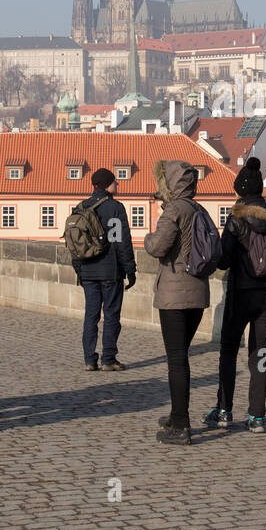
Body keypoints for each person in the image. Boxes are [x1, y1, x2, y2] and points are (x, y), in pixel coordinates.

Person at [206, 156, 266, 433]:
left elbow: (223, 260)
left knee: (229, 351)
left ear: (240, 191)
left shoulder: (236, 219)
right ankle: (257, 416)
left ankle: (223, 411)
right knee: (260, 353)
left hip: (241, 294)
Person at [145, 159, 211, 446]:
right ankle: (176, 414)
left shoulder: (174, 210)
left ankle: (181, 424)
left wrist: (148, 237)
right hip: (198, 291)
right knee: (181, 356)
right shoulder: (199, 209)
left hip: (175, 293)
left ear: (170, 184)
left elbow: (158, 246)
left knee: (176, 361)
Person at [72, 167, 135, 372]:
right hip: (110, 271)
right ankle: (109, 358)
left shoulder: (81, 207)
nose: (117, 184)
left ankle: (89, 359)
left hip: (88, 271)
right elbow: (120, 241)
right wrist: (130, 269)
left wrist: (79, 270)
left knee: (90, 315)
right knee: (111, 315)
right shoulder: (115, 208)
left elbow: (74, 244)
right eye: (115, 181)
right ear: (107, 185)